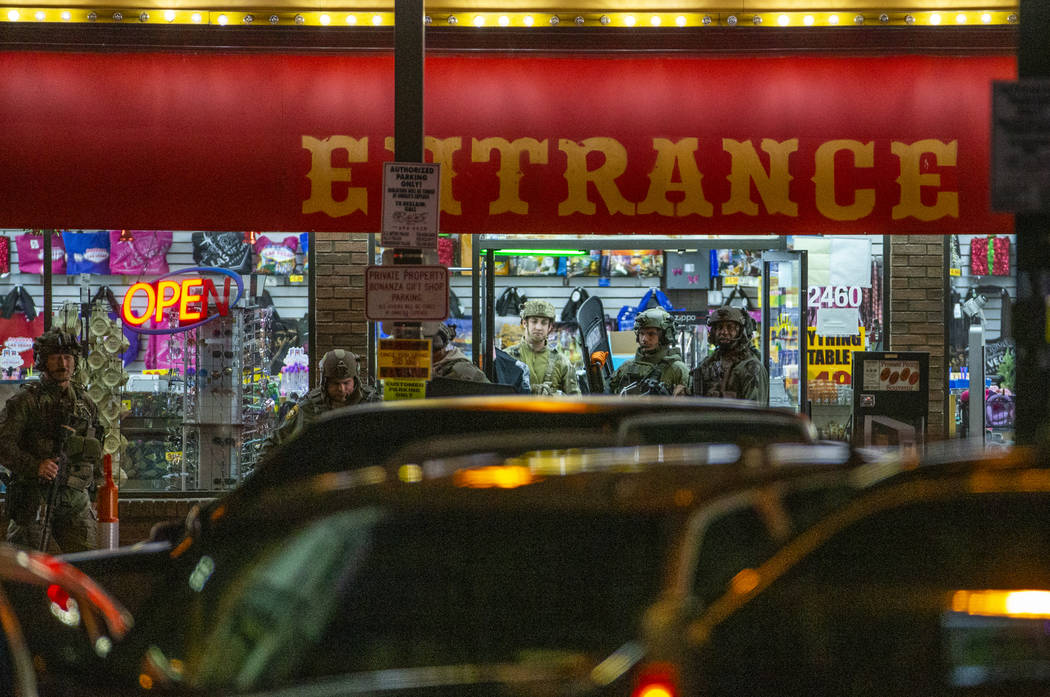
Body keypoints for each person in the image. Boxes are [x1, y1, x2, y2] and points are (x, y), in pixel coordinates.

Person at [0, 329, 102, 552]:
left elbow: (96, 448)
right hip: (33, 499)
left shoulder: (85, 403)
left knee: (86, 568)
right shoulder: (26, 401)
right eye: (55, 357)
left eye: (67, 357)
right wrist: (35, 466)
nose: (62, 363)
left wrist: (95, 491)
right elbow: (3, 445)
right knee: (26, 572)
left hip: (75, 499)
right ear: (43, 361)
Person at [261, 349, 379, 457]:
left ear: (355, 381)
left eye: (346, 383)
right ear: (325, 383)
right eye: (335, 384)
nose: (341, 389)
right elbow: (275, 442)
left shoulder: (372, 405)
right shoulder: (307, 408)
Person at [691, 305, 769, 405]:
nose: (724, 332)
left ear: (741, 332)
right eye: (719, 327)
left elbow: (755, 414)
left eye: (730, 327)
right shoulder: (708, 364)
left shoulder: (751, 368)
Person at [505, 300, 580, 396]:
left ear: (550, 327)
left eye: (544, 323)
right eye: (534, 321)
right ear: (524, 323)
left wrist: (556, 397)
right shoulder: (507, 357)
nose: (539, 327)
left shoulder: (562, 362)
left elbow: (576, 401)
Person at [609, 308, 691, 396]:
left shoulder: (677, 370)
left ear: (665, 336)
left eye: (651, 334)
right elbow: (605, 395)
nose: (644, 339)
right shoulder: (627, 367)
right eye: (641, 333)